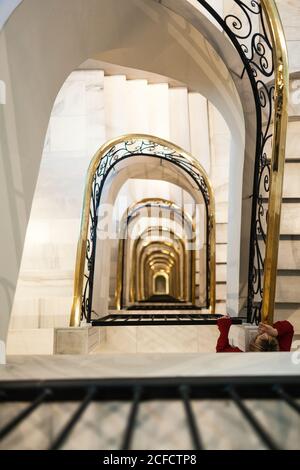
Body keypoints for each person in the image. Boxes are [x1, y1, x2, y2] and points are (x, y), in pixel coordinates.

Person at [216, 316, 294, 353]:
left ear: (252, 345)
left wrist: (224, 327)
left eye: (259, 335)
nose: (263, 331)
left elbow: (221, 352)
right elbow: (289, 328)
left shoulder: (241, 356)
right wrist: (275, 331)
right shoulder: (282, 354)